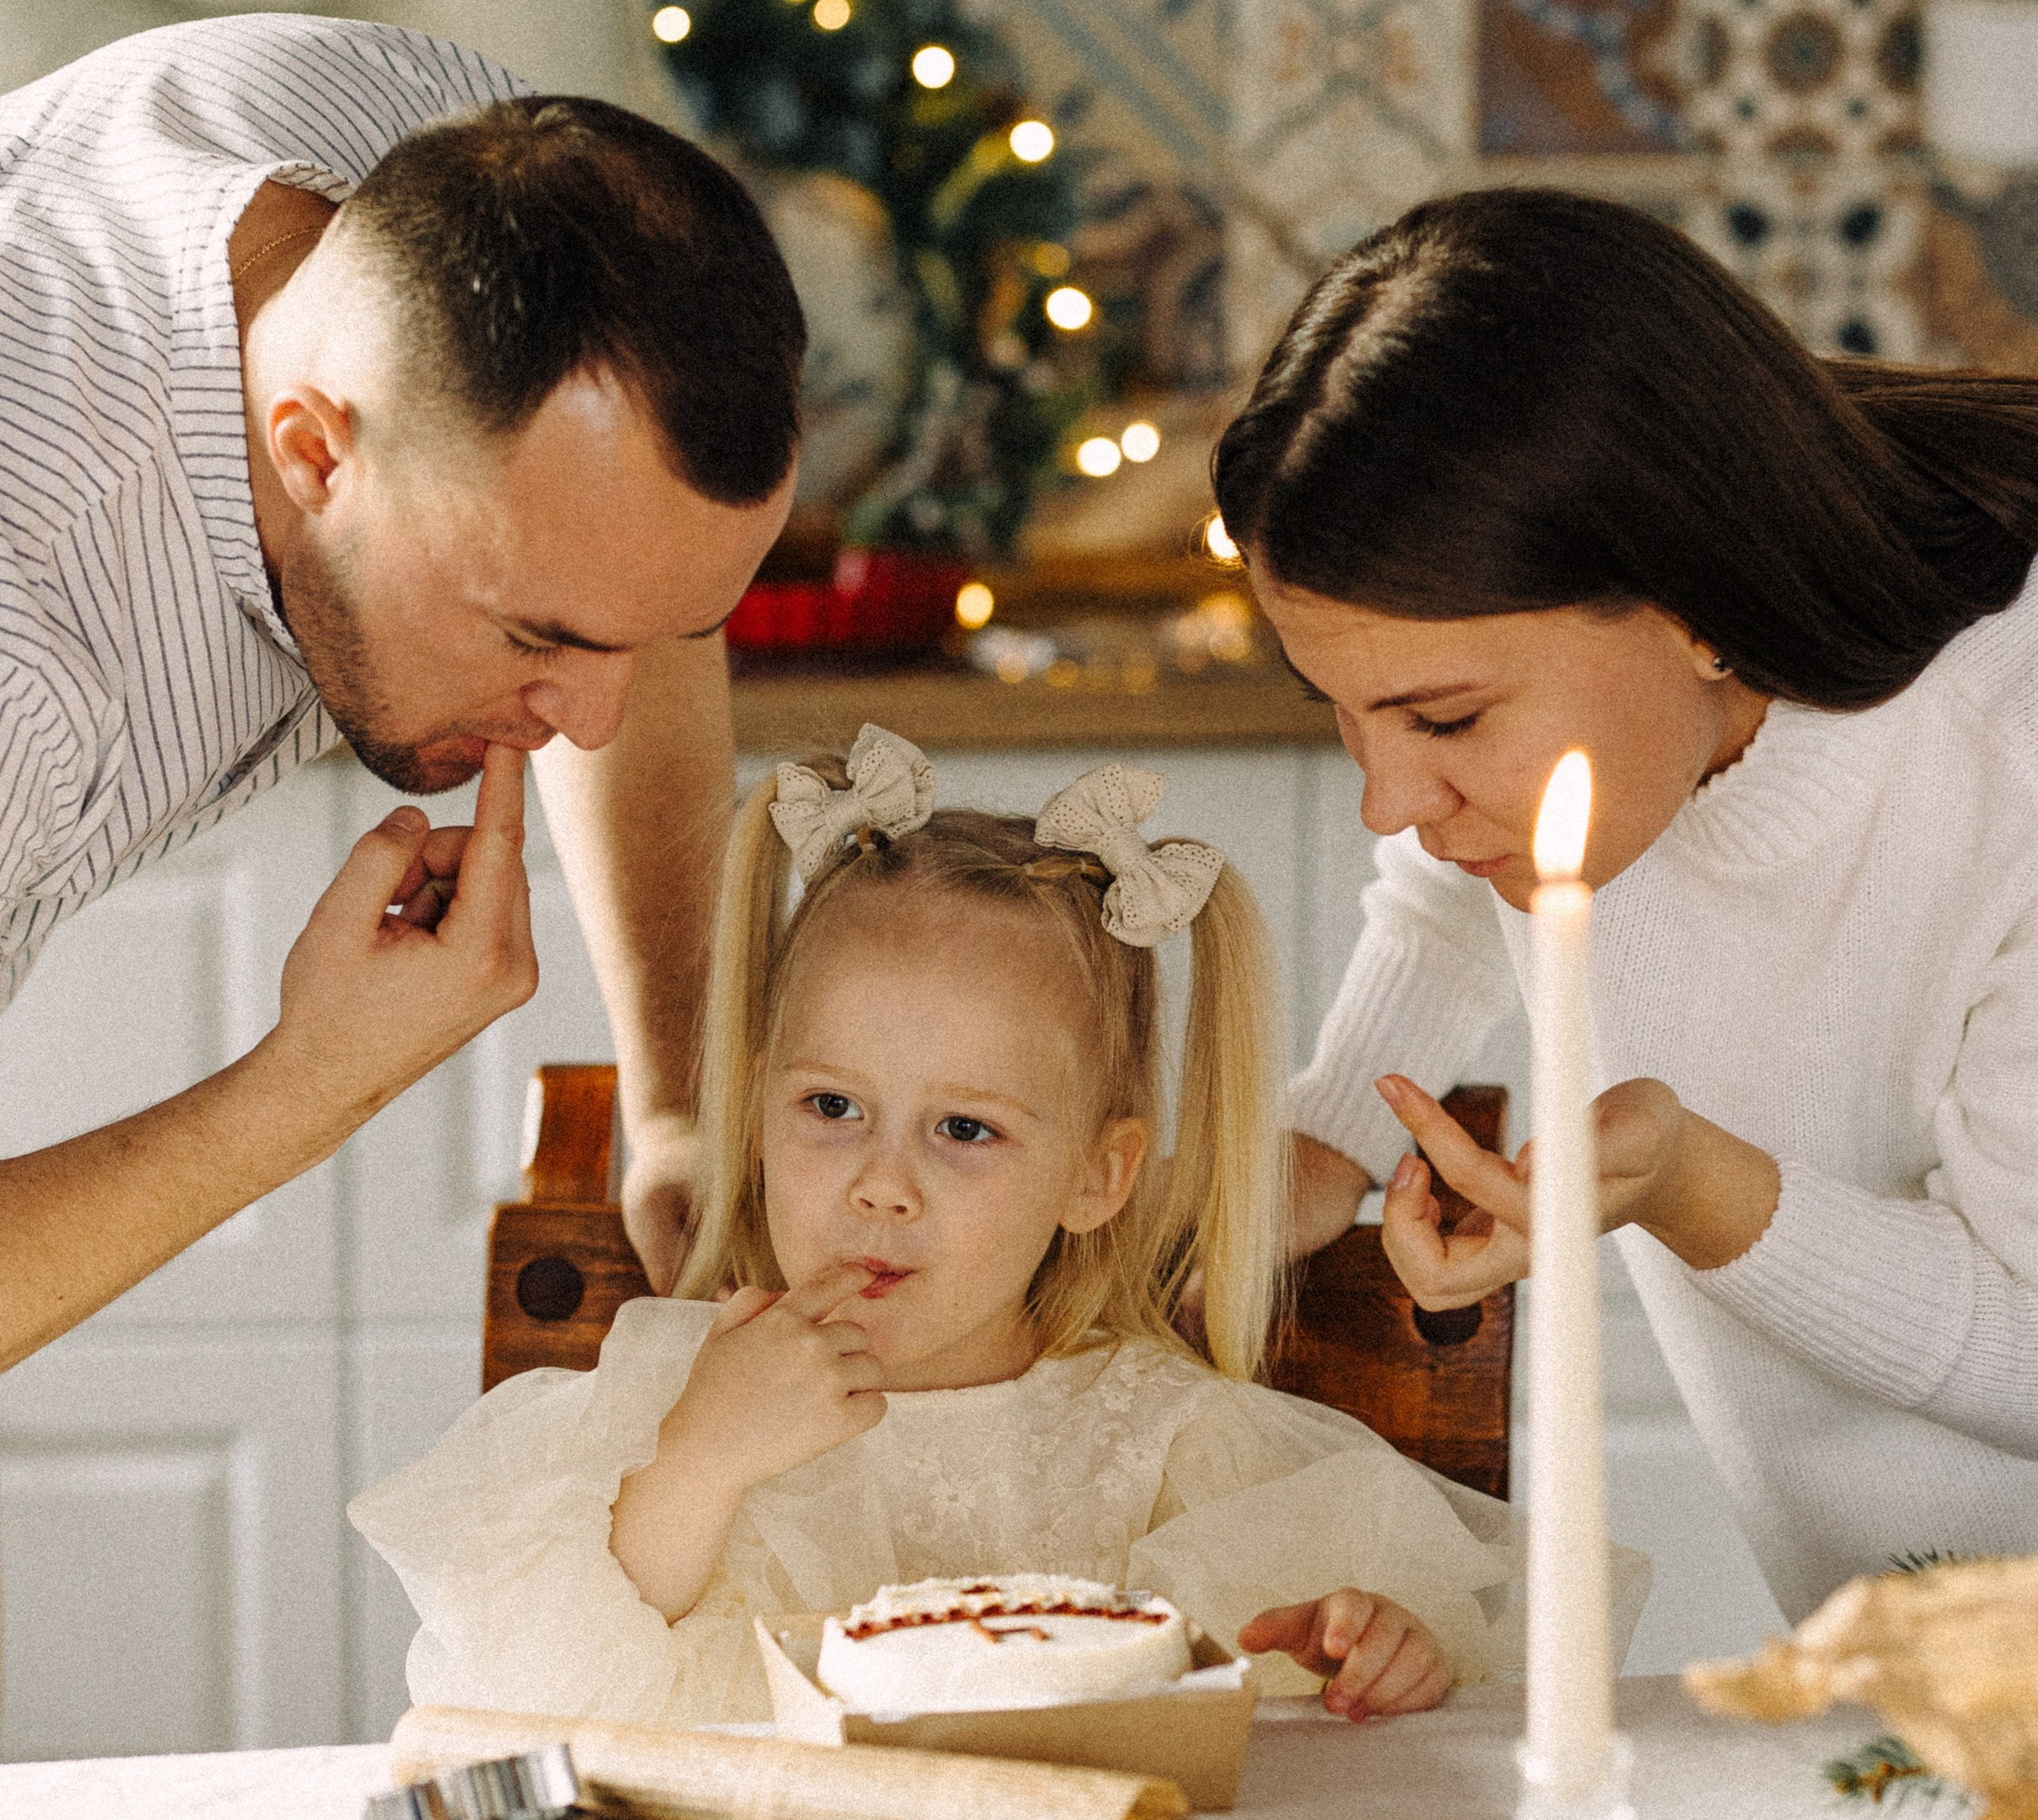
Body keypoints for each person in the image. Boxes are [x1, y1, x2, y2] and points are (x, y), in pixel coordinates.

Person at [1212, 185, 2038, 1624]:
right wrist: (1331, 1124)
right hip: (1893, 1667)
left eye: (1446, 720)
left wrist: (1685, 1182)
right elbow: (1440, 873)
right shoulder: (1588, 737)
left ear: (1691, 601)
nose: (1386, 800)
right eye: (1345, 716)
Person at [352, 727, 1639, 1722]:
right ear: (752, 1111)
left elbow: (1293, 1718)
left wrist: (1366, 1659)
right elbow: (533, 1713)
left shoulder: (1167, 1445)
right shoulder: (671, 1402)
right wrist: (695, 1465)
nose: (881, 1184)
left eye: (964, 1132)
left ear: (1100, 1176)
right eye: (832, 1107)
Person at [0, 12, 804, 1373]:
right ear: (316, 451)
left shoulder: (436, 165)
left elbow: (621, 572)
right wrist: (308, 1085)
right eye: (535, 637)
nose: (593, 724)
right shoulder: (35, 650)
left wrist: (682, 1096)